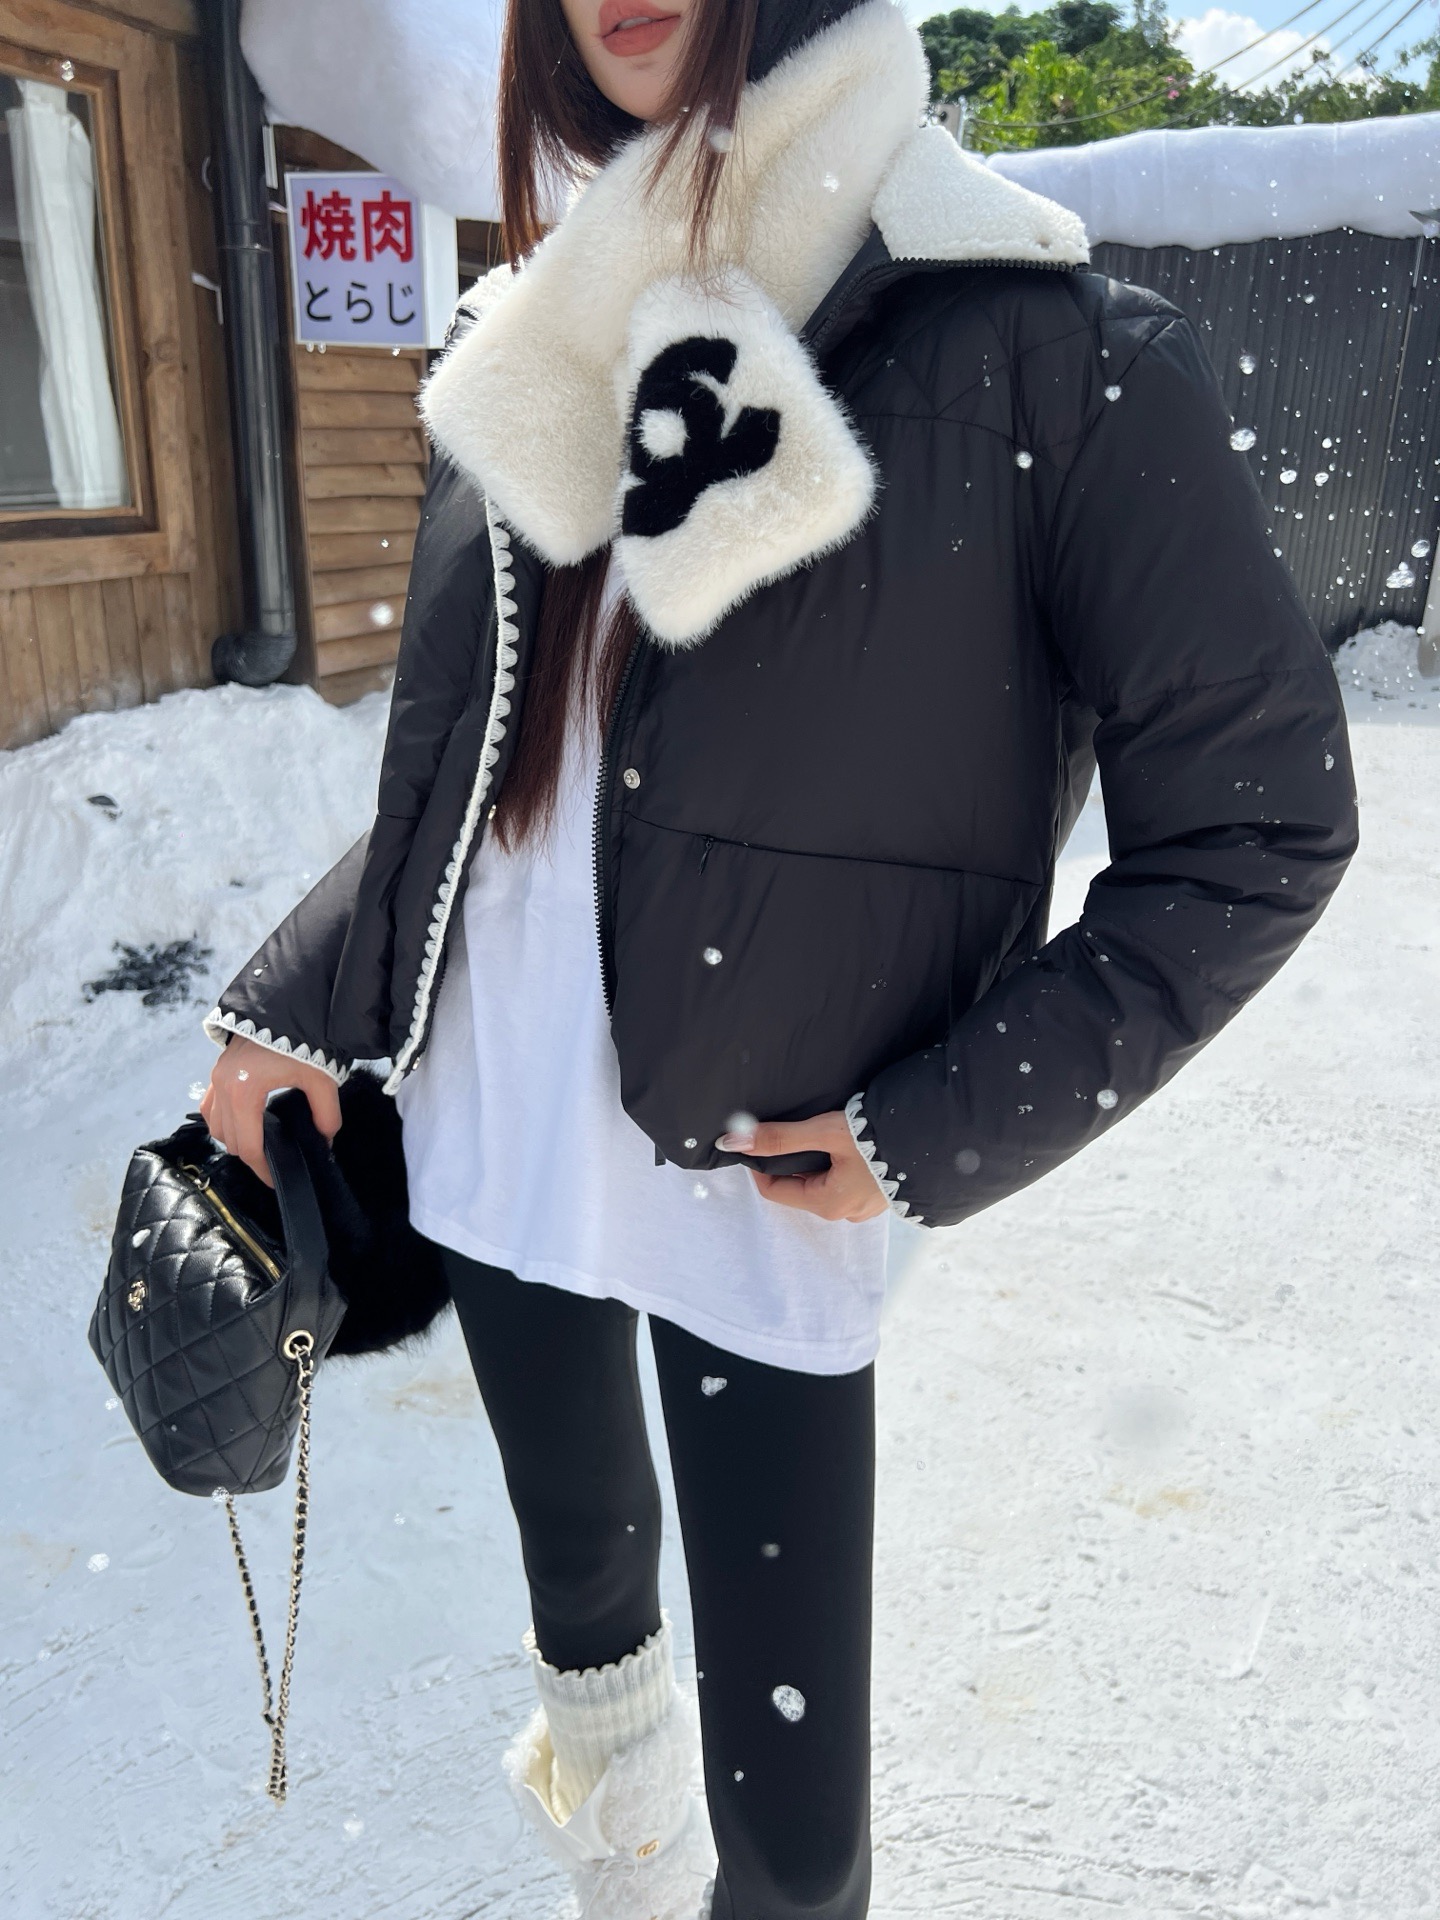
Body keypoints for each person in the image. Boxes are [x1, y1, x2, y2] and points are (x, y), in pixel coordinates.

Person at [200, 0, 1357, 1913]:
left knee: (796, 1842)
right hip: (499, 1134)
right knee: (586, 1620)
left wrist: (946, 1121)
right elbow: (478, 788)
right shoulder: (527, 343)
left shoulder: (1046, 350)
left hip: (761, 1168)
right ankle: (624, 1875)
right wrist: (291, 1002)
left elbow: (1261, 826)